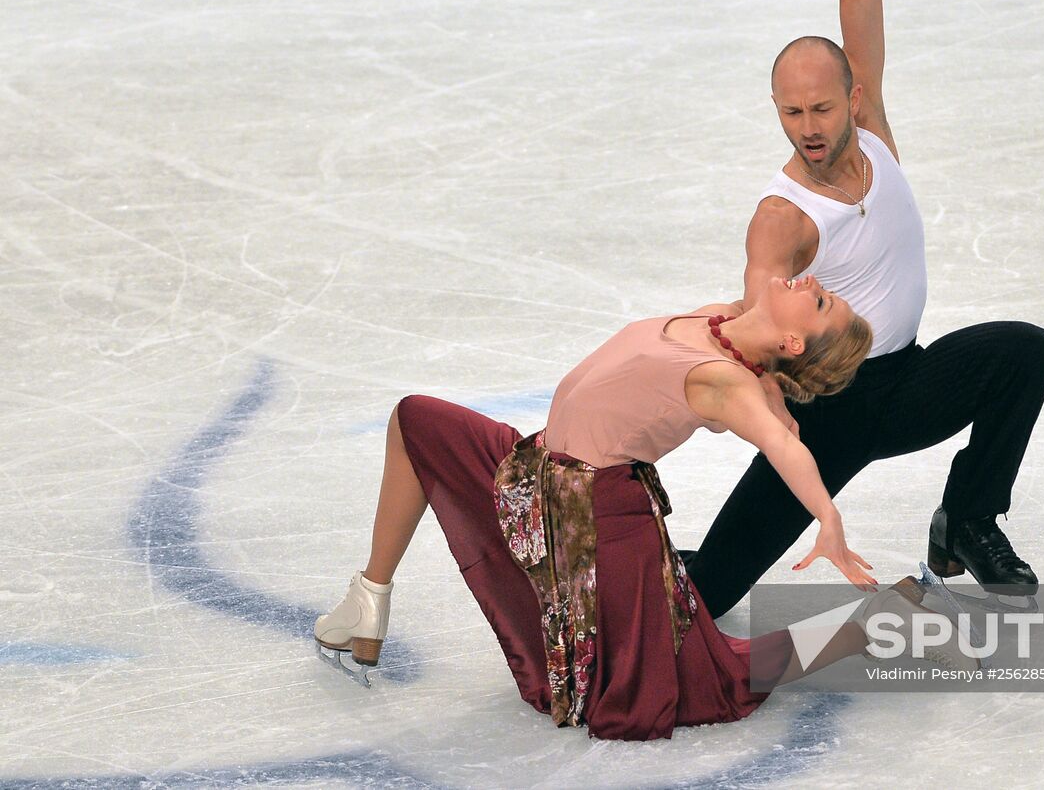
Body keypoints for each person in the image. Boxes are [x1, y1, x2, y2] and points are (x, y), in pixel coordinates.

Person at [684, 0, 1044, 618]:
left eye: (822, 110)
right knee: (708, 594)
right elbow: (762, 323)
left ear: (853, 97)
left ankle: (968, 522)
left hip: (909, 381)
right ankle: (639, 563)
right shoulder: (783, 219)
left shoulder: (875, 133)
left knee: (1021, 353)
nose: (809, 130)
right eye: (791, 115)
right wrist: (774, 418)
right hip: (830, 415)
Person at [313, 275, 882, 740]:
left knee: (712, 678)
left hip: (596, 523)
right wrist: (776, 385)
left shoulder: (724, 382)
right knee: (415, 419)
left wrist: (828, 520)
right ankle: (369, 598)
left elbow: (784, 447)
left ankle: (864, 634)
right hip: (530, 474)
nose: (811, 282)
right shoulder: (716, 321)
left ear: (794, 343)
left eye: (820, 301)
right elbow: (765, 280)